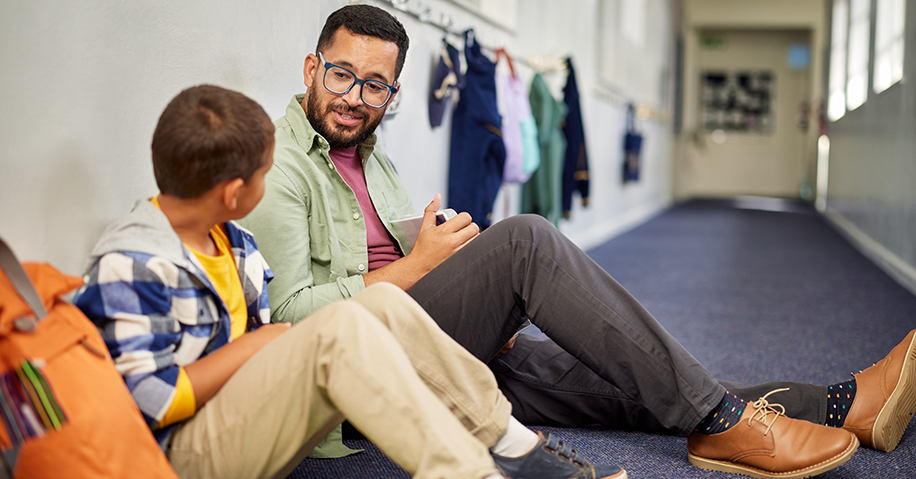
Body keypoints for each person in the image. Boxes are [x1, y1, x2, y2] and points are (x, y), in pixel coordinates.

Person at [238, 4, 916, 478]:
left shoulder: (371, 155)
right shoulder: (279, 169)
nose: (356, 96)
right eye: (342, 74)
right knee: (526, 240)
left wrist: (459, 276)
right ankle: (721, 419)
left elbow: (400, 262)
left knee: (628, 376)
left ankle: (836, 404)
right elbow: (292, 325)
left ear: (393, 93)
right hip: (355, 386)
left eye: (376, 85)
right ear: (310, 67)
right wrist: (424, 267)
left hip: (432, 347)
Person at [72, 85, 629, 479]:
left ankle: (510, 444)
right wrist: (263, 344)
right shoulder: (132, 262)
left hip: (242, 419)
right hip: (177, 459)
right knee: (335, 328)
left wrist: (263, 346)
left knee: (380, 301)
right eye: (266, 174)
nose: (271, 181)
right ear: (232, 193)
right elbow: (151, 400)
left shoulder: (233, 244)